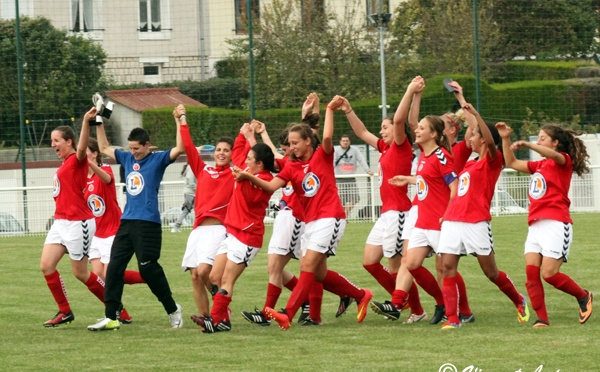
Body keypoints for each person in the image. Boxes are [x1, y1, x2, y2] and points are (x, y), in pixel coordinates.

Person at [236, 97, 373, 330]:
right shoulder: (291, 166)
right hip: (311, 222)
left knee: (306, 266)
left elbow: (327, 136)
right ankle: (360, 295)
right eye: (289, 143)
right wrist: (248, 176)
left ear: (308, 142)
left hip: (331, 217)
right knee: (318, 274)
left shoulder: (323, 155)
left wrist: (329, 109)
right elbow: (270, 187)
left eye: (294, 143)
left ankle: (287, 314)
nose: (291, 147)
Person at [87, 104, 185, 331]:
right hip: (127, 222)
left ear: (147, 145)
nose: (133, 153)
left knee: (147, 269)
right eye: (131, 149)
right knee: (114, 268)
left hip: (148, 223)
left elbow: (180, 147)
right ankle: (111, 316)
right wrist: (98, 120)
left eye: (137, 149)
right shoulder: (128, 158)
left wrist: (179, 119)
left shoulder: (158, 159)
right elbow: (102, 146)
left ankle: (172, 309)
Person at [339, 79, 427, 324]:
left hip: (399, 212)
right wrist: (348, 110)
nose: (382, 131)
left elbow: (400, 121)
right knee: (369, 261)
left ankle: (416, 311)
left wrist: (409, 91)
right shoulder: (385, 147)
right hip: (386, 213)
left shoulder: (401, 145)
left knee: (397, 267)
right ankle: (405, 302)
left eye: (385, 127)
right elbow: (361, 132)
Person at [437, 104, 530, 329]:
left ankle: (519, 300)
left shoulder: (492, 160)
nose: (470, 138)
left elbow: (490, 141)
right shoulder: (469, 161)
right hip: (452, 220)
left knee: (491, 273)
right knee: (447, 268)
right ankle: (453, 319)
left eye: (475, 134)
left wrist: (477, 116)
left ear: (483, 139)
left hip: (476, 222)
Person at [496, 122, 593, 328]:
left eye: (542, 138)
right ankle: (542, 320)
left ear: (555, 143)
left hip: (557, 223)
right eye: (537, 138)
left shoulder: (563, 160)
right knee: (531, 275)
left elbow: (556, 157)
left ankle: (583, 296)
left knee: (549, 275)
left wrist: (530, 146)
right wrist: (505, 138)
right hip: (535, 225)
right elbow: (511, 162)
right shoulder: (539, 166)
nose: (538, 141)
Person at [373, 113, 458, 326]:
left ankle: (455, 314)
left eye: (422, 128)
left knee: (446, 269)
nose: (417, 131)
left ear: (434, 134)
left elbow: (454, 188)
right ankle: (441, 304)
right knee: (410, 263)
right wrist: (409, 179)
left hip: (438, 222)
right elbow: (429, 180)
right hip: (422, 222)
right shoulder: (424, 157)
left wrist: (447, 215)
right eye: (417, 127)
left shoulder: (441, 156)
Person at [197, 124, 276, 333]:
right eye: (247, 158)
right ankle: (222, 319)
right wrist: (244, 133)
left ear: (260, 163)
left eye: (251, 159)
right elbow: (239, 151)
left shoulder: (266, 179)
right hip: (232, 233)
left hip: (248, 237)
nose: (245, 161)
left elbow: (257, 184)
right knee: (214, 277)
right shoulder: (248, 169)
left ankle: (214, 322)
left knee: (226, 279)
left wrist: (246, 176)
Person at [41, 108, 106, 327]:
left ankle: (116, 307)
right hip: (60, 222)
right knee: (46, 266)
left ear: (69, 142)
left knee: (81, 273)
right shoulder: (65, 164)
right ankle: (65, 311)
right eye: (51, 141)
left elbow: (82, 147)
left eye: (56, 140)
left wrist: (86, 122)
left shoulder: (77, 160)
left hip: (79, 223)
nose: (53, 144)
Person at [178, 108, 236, 328]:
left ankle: (221, 309)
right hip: (198, 229)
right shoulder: (203, 170)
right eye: (219, 149)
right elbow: (189, 146)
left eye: (226, 150)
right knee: (194, 276)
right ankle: (207, 318)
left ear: (232, 154)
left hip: (218, 230)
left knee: (204, 271)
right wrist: (182, 119)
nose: (221, 153)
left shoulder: (235, 173)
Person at [85, 138, 146, 324]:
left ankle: (146, 278)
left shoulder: (105, 169)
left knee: (109, 274)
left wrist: (90, 164)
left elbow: (108, 179)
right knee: (100, 277)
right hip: (96, 234)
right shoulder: (80, 178)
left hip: (113, 230)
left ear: (95, 154)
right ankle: (120, 312)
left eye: (84, 151)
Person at [333, 135, 374, 217]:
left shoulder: (354, 150)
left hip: (351, 178)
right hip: (339, 179)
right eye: (343, 141)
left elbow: (361, 159)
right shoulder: (336, 150)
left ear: (349, 142)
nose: (345, 142)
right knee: (341, 200)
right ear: (340, 142)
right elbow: (333, 162)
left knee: (355, 198)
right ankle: (342, 217)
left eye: (347, 141)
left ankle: (345, 214)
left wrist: (367, 170)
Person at [171, 161, 197, 233]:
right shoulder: (191, 169)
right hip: (191, 193)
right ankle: (176, 226)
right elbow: (192, 183)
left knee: (187, 210)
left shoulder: (189, 168)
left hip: (189, 193)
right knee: (193, 210)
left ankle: (176, 226)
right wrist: (198, 190)